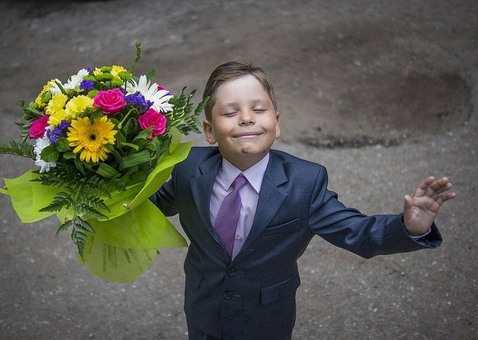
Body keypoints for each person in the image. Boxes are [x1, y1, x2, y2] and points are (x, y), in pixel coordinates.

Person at [151, 61, 456, 340]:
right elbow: (151, 205)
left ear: (278, 123)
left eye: (258, 109)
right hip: (203, 309)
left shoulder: (304, 183)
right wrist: (110, 187)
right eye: (230, 112)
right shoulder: (189, 169)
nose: (246, 119)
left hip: (267, 318)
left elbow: (356, 231)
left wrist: (409, 227)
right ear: (209, 131)